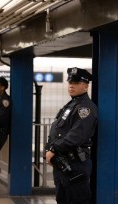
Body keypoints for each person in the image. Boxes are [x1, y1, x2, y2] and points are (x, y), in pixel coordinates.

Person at [45, 67, 98, 204]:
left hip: (75, 165)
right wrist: (49, 148)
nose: (71, 85)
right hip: (64, 164)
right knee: (62, 199)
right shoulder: (71, 105)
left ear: (86, 86)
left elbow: (76, 136)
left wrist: (53, 149)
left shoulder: (85, 108)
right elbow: (57, 129)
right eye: (70, 82)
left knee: (76, 200)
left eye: (76, 83)